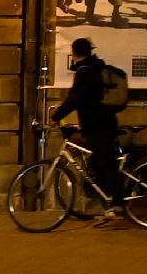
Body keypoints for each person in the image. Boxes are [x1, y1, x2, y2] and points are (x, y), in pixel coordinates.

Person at [51, 37, 127, 213]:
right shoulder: (94, 67)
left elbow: (74, 98)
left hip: (99, 124)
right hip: (99, 123)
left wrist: (56, 117)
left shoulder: (85, 71)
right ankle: (109, 201)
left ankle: (118, 203)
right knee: (97, 163)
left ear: (74, 52)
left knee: (106, 163)